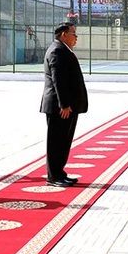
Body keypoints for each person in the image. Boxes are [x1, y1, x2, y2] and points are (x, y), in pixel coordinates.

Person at [40, 22, 89, 187]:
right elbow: (58, 79)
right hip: (59, 107)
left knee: (64, 141)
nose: (76, 38)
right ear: (63, 35)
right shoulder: (57, 51)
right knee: (56, 141)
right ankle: (53, 176)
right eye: (73, 34)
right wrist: (64, 104)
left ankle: (60, 172)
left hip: (67, 106)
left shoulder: (64, 50)